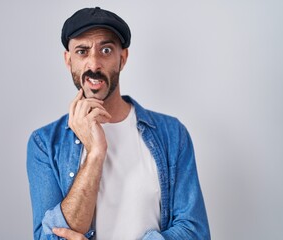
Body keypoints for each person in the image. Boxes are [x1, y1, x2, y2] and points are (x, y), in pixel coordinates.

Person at [27, 7, 210, 240]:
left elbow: (195, 233)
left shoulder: (172, 134)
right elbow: (48, 237)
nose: (93, 64)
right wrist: (95, 153)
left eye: (105, 50)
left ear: (122, 58)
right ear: (68, 60)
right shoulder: (44, 144)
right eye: (82, 51)